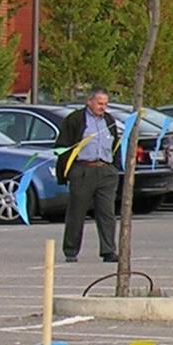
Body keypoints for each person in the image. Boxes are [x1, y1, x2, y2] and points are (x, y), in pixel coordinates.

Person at [57, 88, 123, 264]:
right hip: (83, 169)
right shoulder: (75, 119)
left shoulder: (109, 120)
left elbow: (115, 144)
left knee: (107, 213)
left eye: (105, 104)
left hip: (105, 170)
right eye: (100, 103)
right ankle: (71, 251)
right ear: (90, 101)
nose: (103, 107)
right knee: (76, 212)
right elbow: (62, 146)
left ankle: (108, 250)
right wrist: (67, 172)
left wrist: (115, 168)